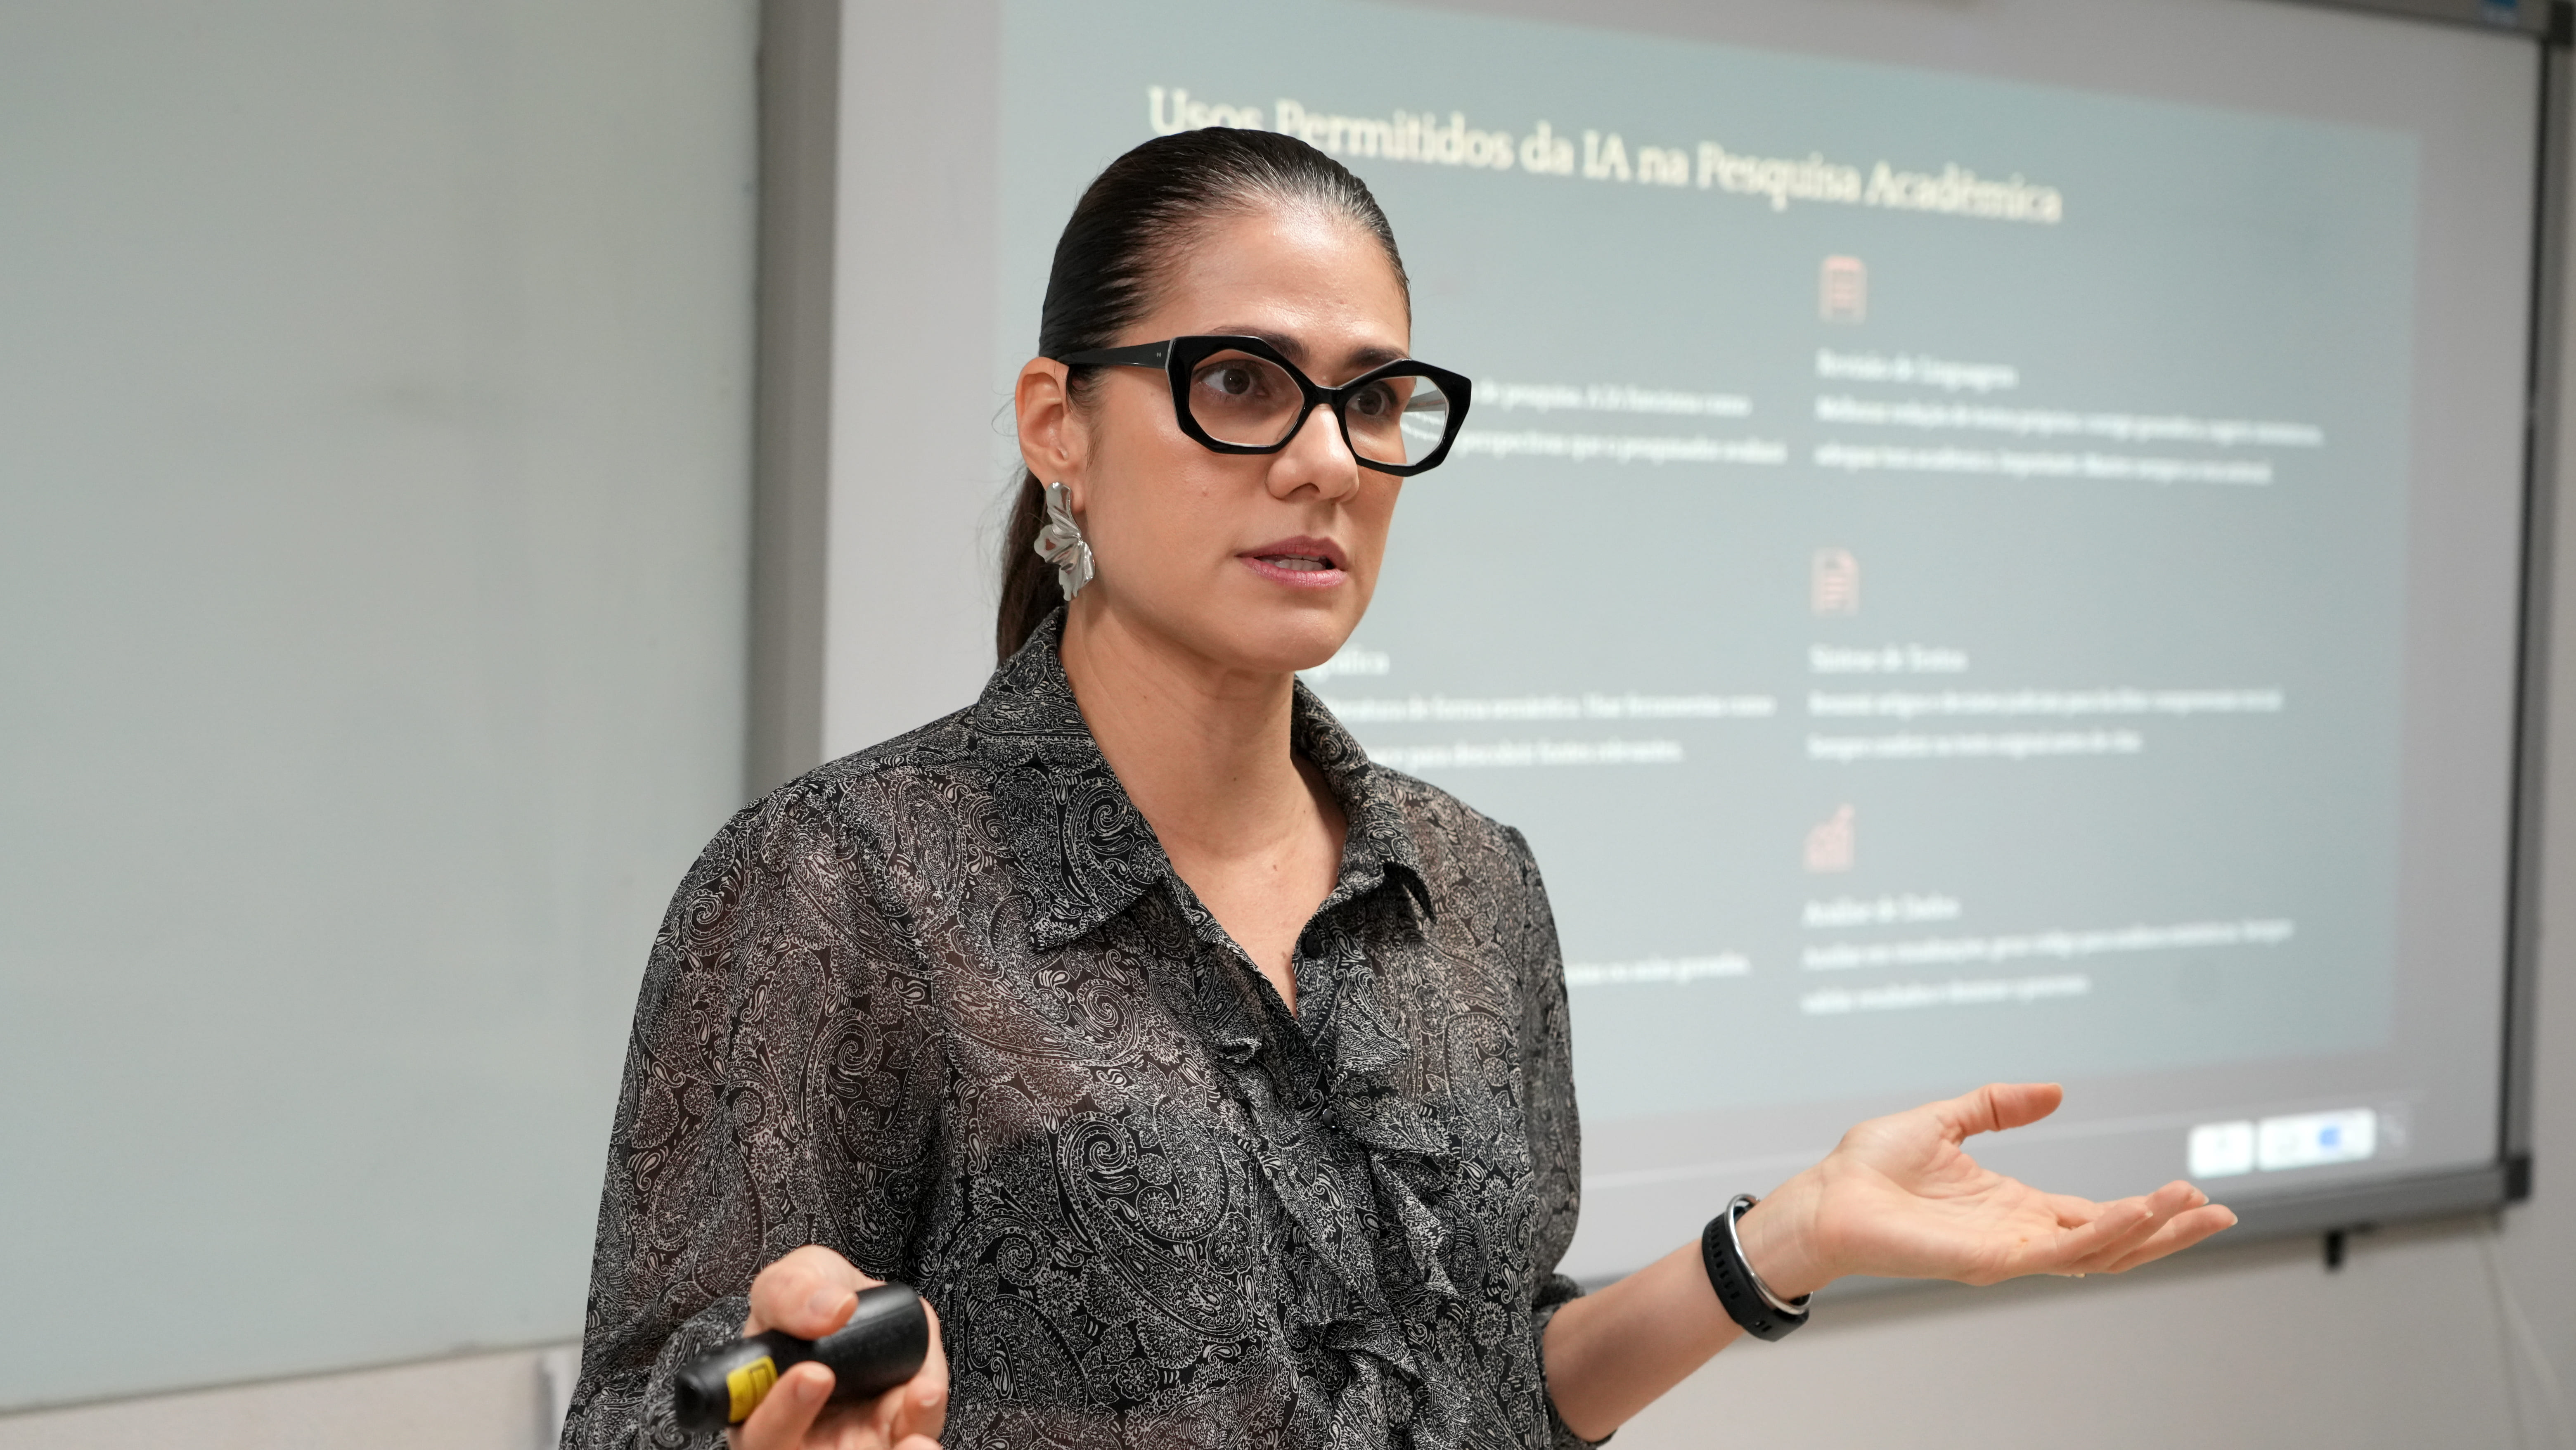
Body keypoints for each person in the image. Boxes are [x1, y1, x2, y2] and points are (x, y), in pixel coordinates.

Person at [561, 128, 2235, 1450]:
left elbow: (1494, 1386)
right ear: (1058, 425)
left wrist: (1780, 1239)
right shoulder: (842, 884)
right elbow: (646, 1415)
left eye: (1373, 398)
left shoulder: (1472, 889)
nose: (1326, 461)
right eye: (1239, 383)